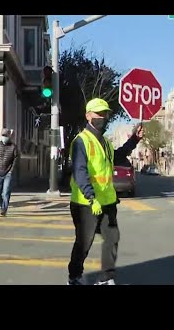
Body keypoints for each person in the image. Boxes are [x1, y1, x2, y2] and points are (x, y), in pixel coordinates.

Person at [67, 98, 143, 285]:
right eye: (99, 114)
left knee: (112, 239)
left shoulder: (106, 143)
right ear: (88, 116)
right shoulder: (81, 141)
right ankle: (74, 277)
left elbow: (118, 155)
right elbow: (80, 171)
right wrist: (91, 197)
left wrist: (134, 139)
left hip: (108, 201)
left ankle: (106, 278)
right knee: (84, 244)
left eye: (105, 113)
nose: (103, 117)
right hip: (86, 203)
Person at [0, 128, 18, 217]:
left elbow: (16, 159)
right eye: (3, 135)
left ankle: (4, 209)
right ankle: (2, 205)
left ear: (9, 136)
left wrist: (11, 170)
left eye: (6, 135)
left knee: (6, 191)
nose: (4, 137)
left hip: (8, 173)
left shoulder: (13, 146)